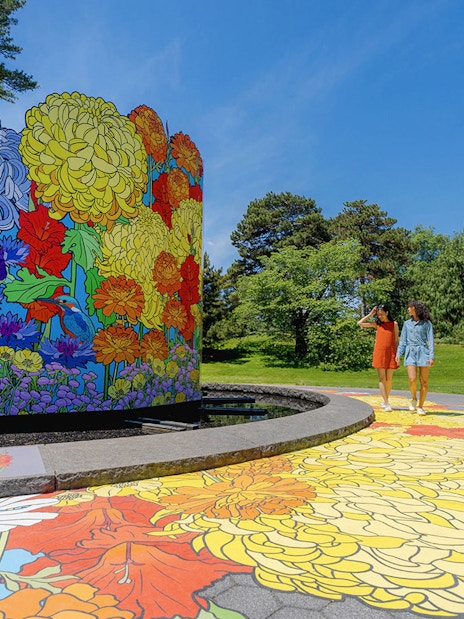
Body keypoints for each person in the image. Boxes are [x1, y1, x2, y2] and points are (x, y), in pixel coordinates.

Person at [395, 300, 434, 416]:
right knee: (412, 379)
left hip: (423, 352)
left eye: (410, 307)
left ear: (416, 309)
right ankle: (413, 398)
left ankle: (420, 406)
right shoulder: (407, 324)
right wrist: (398, 354)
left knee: (424, 381)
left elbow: (430, 340)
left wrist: (431, 356)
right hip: (410, 352)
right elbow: (403, 340)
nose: (408, 309)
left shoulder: (427, 324)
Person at [358, 304, 399, 411]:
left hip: (391, 353)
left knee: (389, 379)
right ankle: (386, 403)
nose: (379, 316)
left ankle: (386, 399)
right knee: (382, 378)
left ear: (387, 313)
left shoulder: (394, 324)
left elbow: (396, 340)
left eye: (381, 314)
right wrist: (371, 313)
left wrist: (398, 354)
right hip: (380, 353)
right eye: (378, 314)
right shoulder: (377, 324)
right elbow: (360, 323)